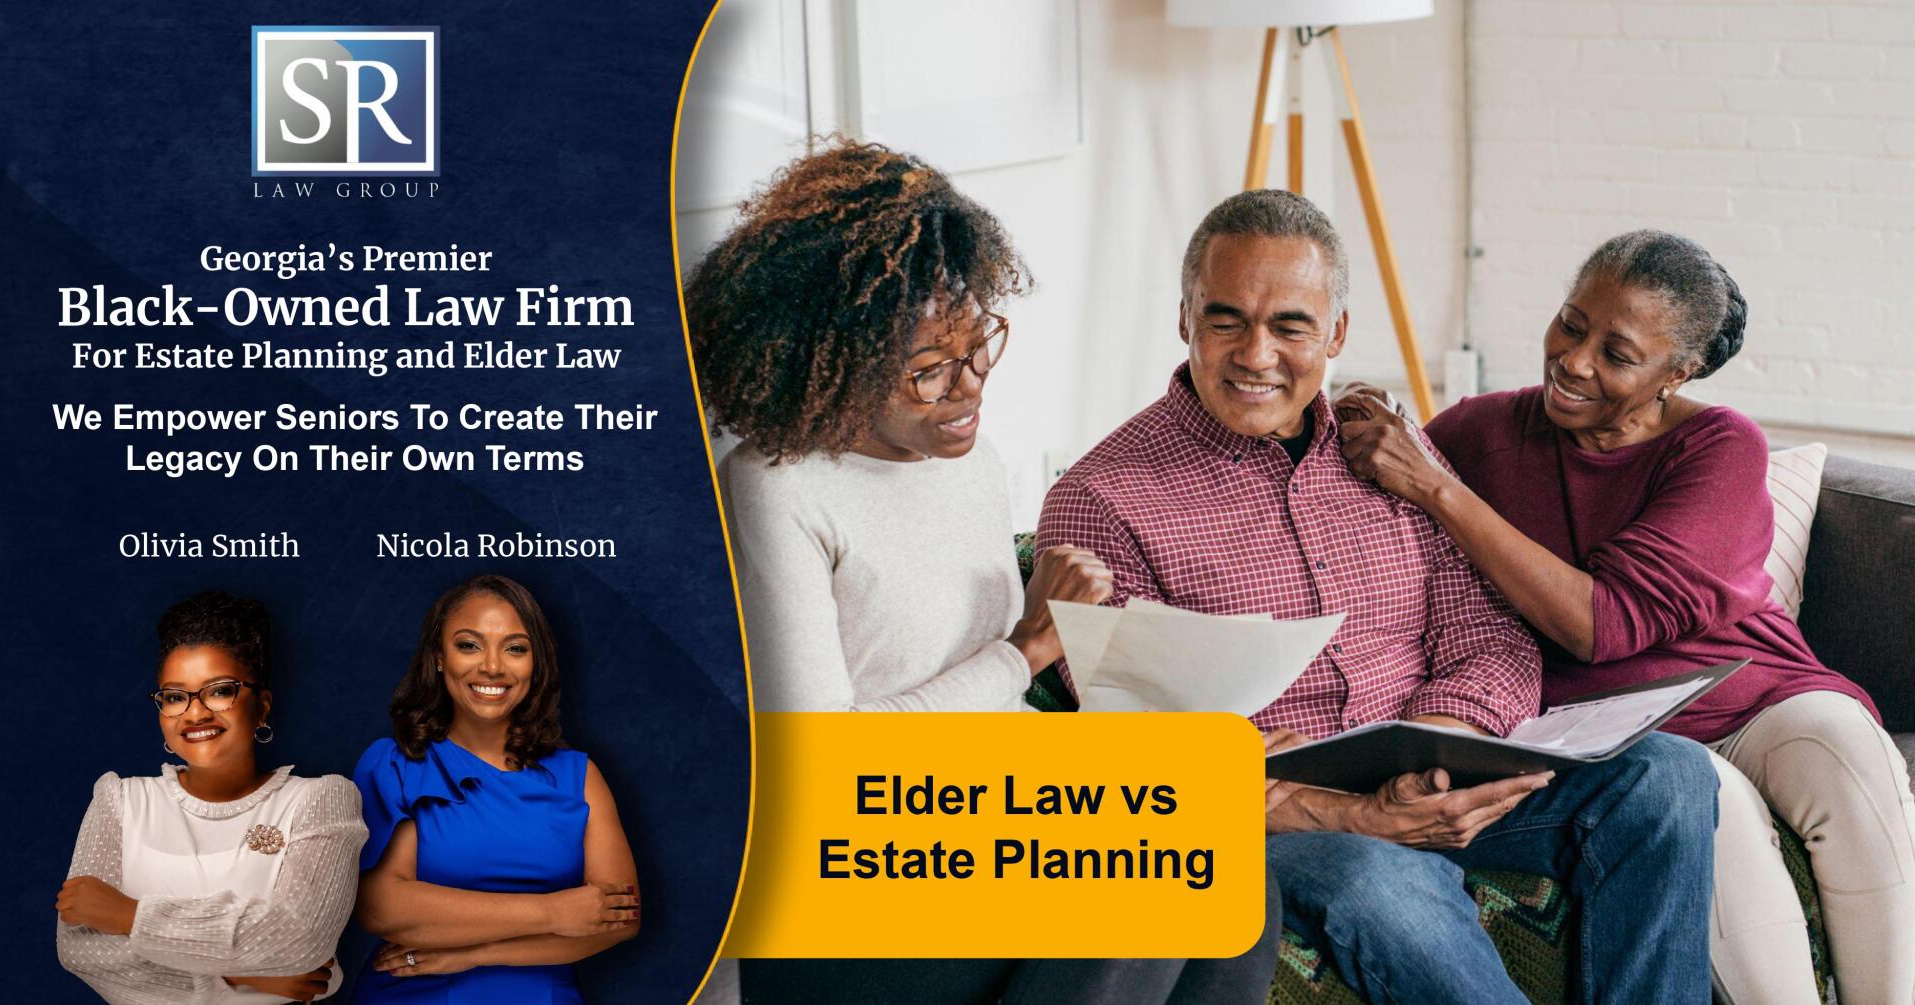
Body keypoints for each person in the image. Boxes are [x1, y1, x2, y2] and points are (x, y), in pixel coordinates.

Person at [1037, 189, 1721, 1003]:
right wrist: (1356, 811)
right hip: (1287, 820)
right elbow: (1148, 762)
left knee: (1668, 777)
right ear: (1185, 319)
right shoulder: (1099, 500)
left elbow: (1491, 637)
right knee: (1382, 879)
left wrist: (1439, 743)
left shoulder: (1391, 453)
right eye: (1226, 319)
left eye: (1290, 324)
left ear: (1336, 332)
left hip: (1432, 768)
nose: (1256, 354)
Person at [690, 139, 1282, 1003]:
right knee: (1158, 890)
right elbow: (820, 766)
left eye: (979, 347)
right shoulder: (773, 491)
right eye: (929, 370)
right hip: (857, 870)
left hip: (987, 824)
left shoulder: (970, 461)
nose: (968, 388)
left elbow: (999, 712)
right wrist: (1024, 650)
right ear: (838, 360)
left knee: (1230, 867)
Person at [1336, 228, 1915, 1004]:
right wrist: (1351, 415)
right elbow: (1363, 495)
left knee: (1848, 752)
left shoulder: (1718, 444)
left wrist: (1440, 489)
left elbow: (1604, 622)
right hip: (1616, 729)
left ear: (1677, 372)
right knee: (1707, 807)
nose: (1574, 361)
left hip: (1755, 692)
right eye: (1572, 324)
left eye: (1616, 352)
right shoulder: (1482, 431)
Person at [56, 591, 366, 1004]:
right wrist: (233, 975)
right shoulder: (119, 801)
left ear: (261, 708)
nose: (195, 712)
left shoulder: (321, 800)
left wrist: (128, 916)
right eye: (174, 696)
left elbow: (299, 939)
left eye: (219, 691)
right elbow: (81, 952)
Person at [350, 574, 641, 1004]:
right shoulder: (397, 765)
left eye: (516, 648)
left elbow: (620, 919)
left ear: (536, 662)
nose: (492, 666)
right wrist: (553, 912)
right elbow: (383, 908)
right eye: (469, 645)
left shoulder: (578, 775)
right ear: (438, 657)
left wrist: (479, 953)